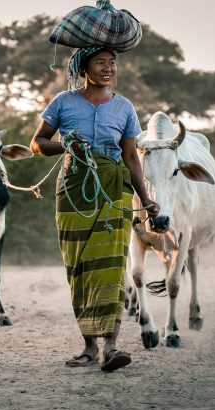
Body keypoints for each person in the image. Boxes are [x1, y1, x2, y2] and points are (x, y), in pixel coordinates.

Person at [30, 47, 159, 372]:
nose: (108, 68)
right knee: (80, 269)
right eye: (100, 62)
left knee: (112, 267)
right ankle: (88, 347)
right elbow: (37, 143)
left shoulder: (124, 107)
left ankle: (111, 348)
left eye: (112, 62)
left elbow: (131, 157)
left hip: (114, 191)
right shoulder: (63, 102)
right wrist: (65, 145)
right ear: (82, 66)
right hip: (74, 191)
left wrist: (146, 200)